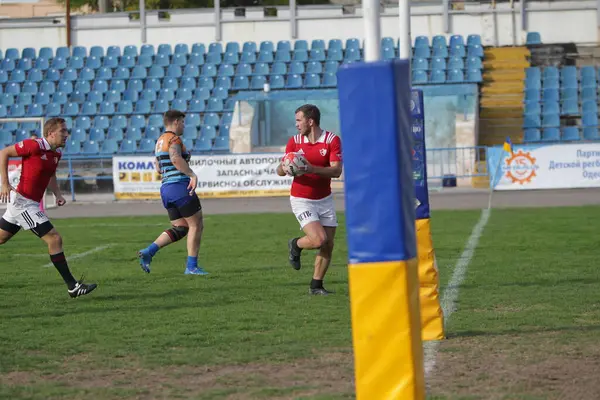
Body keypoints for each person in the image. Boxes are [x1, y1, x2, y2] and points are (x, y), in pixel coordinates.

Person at [0, 117, 97, 298]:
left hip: (27, 203)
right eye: (63, 131)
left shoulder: (56, 153)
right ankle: (73, 286)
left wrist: (57, 194)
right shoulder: (34, 146)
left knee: (1, 238)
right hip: (23, 203)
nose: (66, 135)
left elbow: (51, 174)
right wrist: (4, 184)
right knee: (54, 239)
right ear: (51, 133)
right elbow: (3, 152)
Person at [276, 104, 343, 295]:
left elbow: (336, 170)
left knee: (328, 244)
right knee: (318, 239)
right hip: (301, 198)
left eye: (299, 120)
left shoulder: (331, 140)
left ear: (310, 121)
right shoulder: (295, 142)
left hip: (324, 198)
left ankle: (316, 286)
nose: (296, 124)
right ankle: (296, 244)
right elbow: (279, 171)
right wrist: (286, 166)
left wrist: (311, 168)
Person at [137, 110, 208, 275]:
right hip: (179, 187)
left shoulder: (160, 141)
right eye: (183, 122)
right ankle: (192, 267)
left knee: (181, 227)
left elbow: (158, 166)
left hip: (166, 190)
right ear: (176, 121)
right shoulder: (174, 139)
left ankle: (149, 251)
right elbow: (175, 158)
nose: (184, 125)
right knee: (196, 225)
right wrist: (191, 174)